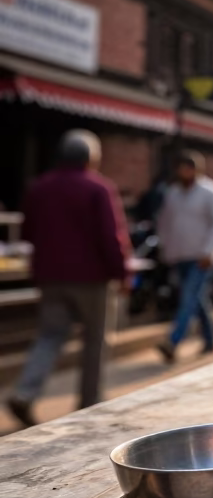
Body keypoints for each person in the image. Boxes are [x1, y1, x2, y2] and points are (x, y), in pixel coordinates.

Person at [7, 130, 130, 425]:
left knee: (49, 336)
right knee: (95, 340)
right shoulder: (98, 188)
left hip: (50, 275)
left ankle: (24, 392)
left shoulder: (39, 187)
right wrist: (121, 272)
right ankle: (89, 402)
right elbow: (110, 237)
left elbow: (28, 232)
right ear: (91, 158)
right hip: (92, 277)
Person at [155, 151, 213, 362]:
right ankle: (210, 340)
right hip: (180, 255)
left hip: (202, 257)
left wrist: (210, 251)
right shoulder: (173, 193)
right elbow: (165, 224)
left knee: (188, 297)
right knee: (196, 297)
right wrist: (166, 249)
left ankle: (173, 340)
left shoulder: (211, 191)